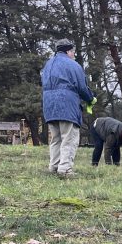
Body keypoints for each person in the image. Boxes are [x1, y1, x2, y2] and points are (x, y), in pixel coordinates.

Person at [41, 38, 95, 177]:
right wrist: (90, 98)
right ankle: (65, 169)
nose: (74, 55)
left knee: (56, 138)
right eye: (73, 52)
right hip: (67, 105)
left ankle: (54, 167)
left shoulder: (47, 65)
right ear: (69, 51)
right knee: (69, 138)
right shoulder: (73, 65)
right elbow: (82, 87)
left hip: (49, 106)